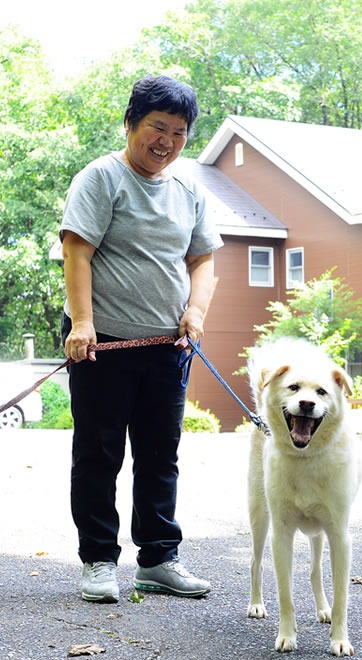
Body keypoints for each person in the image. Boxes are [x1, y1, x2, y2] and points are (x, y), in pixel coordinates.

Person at [60, 75, 223, 603]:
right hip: (102, 342)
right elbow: (77, 252)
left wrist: (195, 311)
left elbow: (202, 261)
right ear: (130, 124)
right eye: (158, 127)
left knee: (160, 454)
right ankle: (99, 560)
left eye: (179, 133)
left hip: (167, 349)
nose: (167, 142)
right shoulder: (101, 178)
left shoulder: (189, 190)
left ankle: (157, 559)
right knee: (98, 453)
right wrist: (82, 322)